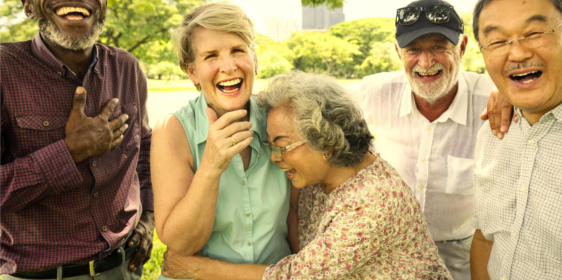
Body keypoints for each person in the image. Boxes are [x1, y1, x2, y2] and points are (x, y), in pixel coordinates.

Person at [160, 71, 452, 279]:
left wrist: (198, 269)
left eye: (283, 146)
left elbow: (297, 277)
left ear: (324, 141)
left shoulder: (372, 200)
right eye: (271, 145)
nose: (275, 157)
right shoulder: (319, 179)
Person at [1, 0, 155, 279]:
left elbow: (145, 149)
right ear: (28, 5)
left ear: (103, 4)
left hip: (122, 269)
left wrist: (148, 218)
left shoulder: (126, 68)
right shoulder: (4, 71)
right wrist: (70, 153)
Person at [355, 0, 507, 279]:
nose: (426, 62)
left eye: (439, 46)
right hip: (386, 249)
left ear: (461, 48)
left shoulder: (496, 99)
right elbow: (313, 112)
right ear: (398, 52)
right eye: (414, 49)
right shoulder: (372, 92)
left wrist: (514, 97)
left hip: (461, 254)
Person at [470, 0, 562, 280]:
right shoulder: (493, 131)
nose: (517, 53)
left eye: (535, 32)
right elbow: (485, 238)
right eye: (498, 41)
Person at [150, 2, 291, 280]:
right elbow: (181, 244)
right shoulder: (172, 130)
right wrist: (211, 166)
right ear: (192, 72)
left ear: (255, 60)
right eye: (211, 56)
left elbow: (297, 219)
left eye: (238, 51)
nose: (228, 66)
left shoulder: (281, 120)